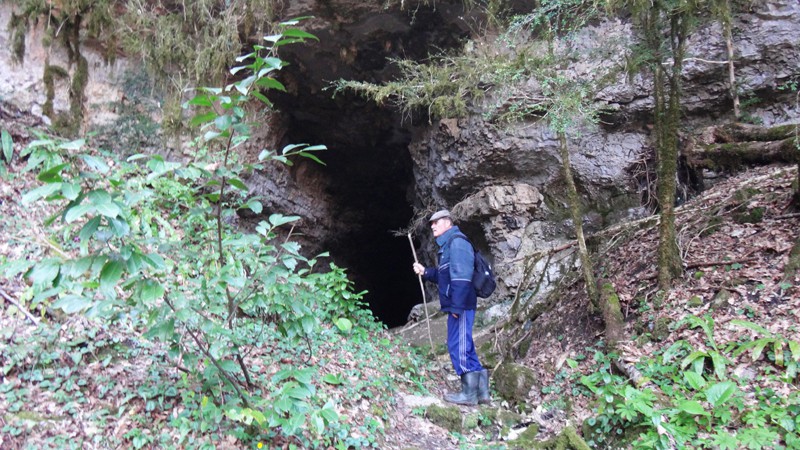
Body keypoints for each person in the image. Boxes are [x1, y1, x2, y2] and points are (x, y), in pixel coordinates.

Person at [412, 209, 490, 406]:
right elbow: (445, 275)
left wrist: (456, 307)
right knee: (466, 346)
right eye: (431, 223)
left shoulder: (457, 243)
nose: (432, 226)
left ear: (447, 222)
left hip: (461, 306)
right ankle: (482, 393)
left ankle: (469, 395)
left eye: (436, 222)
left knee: (458, 346)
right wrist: (426, 272)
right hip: (460, 304)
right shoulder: (449, 245)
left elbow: (462, 278)